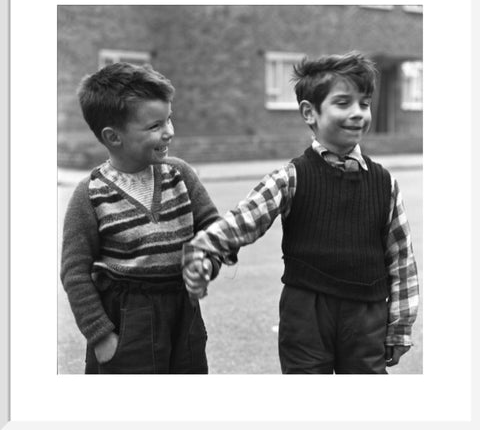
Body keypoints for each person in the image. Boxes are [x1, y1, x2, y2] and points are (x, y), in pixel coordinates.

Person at [182, 51, 419, 374]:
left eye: (364, 103)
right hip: (307, 312)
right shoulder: (292, 177)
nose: (358, 113)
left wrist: (400, 325)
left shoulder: (384, 183)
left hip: (367, 313)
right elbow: (245, 219)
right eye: (343, 103)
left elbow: (401, 258)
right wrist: (204, 248)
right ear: (310, 112)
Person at [61, 62, 220, 374]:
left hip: (183, 313)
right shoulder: (89, 195)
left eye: (169, 119)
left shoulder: (180, 175)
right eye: (154, 126)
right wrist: (101, 335)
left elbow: (214, 228)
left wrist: (207, 261)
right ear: (113, 137)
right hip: (126, 318)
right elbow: (75, 273)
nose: (169, 132)